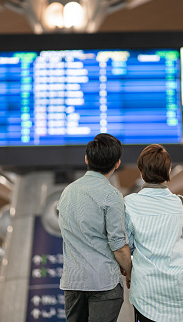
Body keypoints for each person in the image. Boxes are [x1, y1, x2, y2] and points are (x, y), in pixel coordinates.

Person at [57, 133, 132, 322]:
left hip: (73, 283)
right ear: (117, 163)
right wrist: (130, 270)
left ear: (86, 159)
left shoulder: (67, 192)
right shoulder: (111, 195)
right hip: (104, 283)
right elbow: (119, 246)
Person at [124, 144, 183, 322]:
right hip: (180, 289)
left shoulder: (129, 203)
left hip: (147, 291)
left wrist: (129, 271)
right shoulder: (181, 203)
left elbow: (129, 245)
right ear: (168, 170)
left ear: (141, 171)